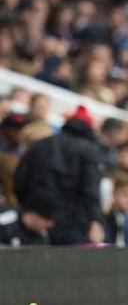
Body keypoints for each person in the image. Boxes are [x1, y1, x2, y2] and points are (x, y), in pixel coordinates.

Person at [13, 105, 105, 245]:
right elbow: (90, 190)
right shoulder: (89, 151)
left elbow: (19, 181)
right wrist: (95, 220)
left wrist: (28, 208)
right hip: (73, 224)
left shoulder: (40, 145)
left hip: (35, 218)